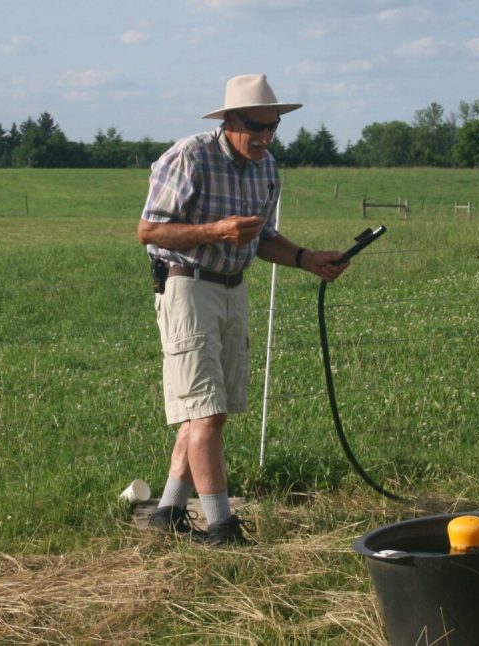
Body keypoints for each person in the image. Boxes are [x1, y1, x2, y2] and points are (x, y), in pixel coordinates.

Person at [138, 74, 350, 545]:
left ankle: (169, 511)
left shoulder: (266, 167)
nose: (266, 136)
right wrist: (216, 232)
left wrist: (306, 258)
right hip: (187, 287)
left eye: (273, 126)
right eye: (256, 126)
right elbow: (149, 231)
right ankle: (220, 527)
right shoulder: (190, 156)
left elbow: (263, 237)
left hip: (234, 289)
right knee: (206, 411)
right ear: (230, 120)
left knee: (211, 410)